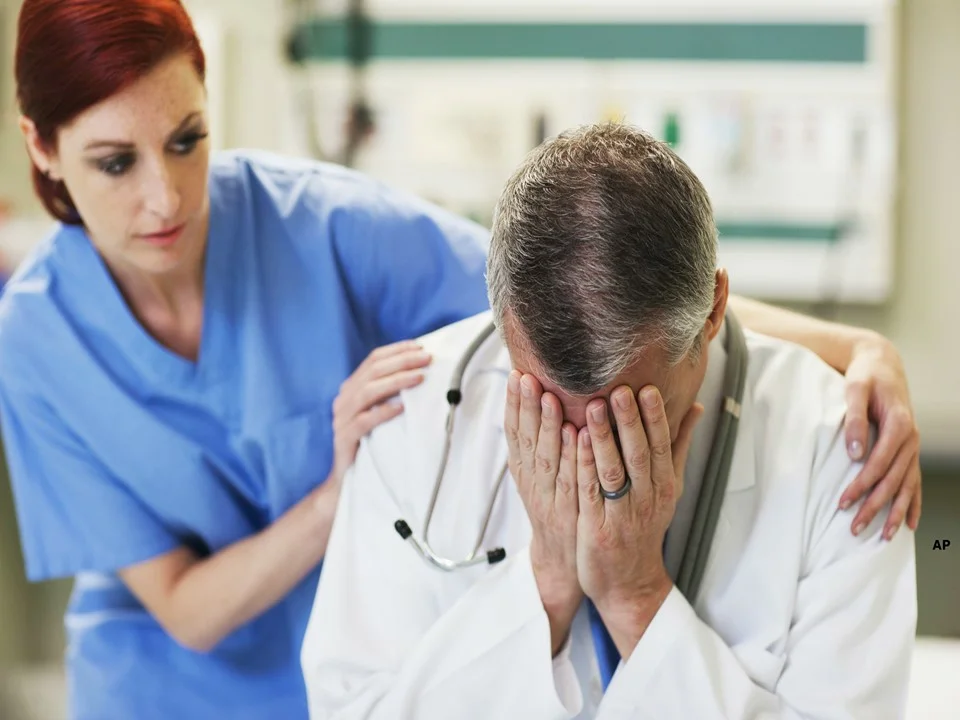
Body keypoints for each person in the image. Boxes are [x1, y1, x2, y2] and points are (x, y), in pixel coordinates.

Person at [1, 1, 917, 718]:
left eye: (187, 140)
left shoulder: (327, 227)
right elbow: (189, 612)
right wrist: (348, 500)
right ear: (41, 147)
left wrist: (855, 348)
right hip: (155, 689)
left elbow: (597, 289)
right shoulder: (37, 339)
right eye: (114, 162)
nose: (166, 196)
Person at [300, 124, 918, 719]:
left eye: (626, 420)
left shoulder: (843, 451)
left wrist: (636, 598)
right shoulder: (408, 413)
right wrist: (546, 580)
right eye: (543, 409)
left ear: (711, 313)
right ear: (501, 315)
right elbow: (348, 709)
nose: (588, 460)